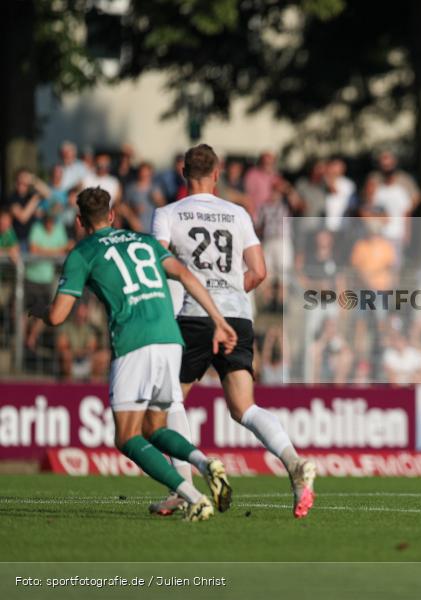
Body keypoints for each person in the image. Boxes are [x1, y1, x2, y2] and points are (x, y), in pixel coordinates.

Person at [31, 186, 236, 521]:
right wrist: (219, 320)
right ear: (111, 215)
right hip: (170, 339)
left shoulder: (83, 252)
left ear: (80, 221)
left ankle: (192, 496)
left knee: (127, 436)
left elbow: (57, 316)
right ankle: (204, 462)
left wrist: (38, 310)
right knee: (155, 428)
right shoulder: (145, 241)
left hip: (134, 342)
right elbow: (184, 274)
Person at [151, 143, 316, 519]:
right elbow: (259, 272)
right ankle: (292, 462)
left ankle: (184, 490)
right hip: (238, 318)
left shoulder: (167, 213)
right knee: (244, 408)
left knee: (169, 402)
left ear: (183, 173)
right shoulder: (238, 213)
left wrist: (199, 294)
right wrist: (225, 294)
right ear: (217, 173)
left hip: (192, 317)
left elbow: (158, 263)